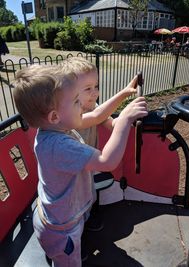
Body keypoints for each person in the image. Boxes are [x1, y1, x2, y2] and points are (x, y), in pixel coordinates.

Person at [13, 64, 148, 267]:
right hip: (63, 231)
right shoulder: (59, 145)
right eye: (76, 101)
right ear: (54, 116)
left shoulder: (56, 128)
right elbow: (107, 161)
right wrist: (124, 120)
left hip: (59, 217)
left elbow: (96, 115)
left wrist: (124, 94)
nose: (82, 106)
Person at [60, 57, 140, 231]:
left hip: (87, 165)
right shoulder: (68, 118)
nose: (95, 92)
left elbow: (109, 123)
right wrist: (125, 96)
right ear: (68, 93)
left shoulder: (92, 106)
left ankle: (87, 217)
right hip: (71, 171)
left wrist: (127, 119)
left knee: (89, 194)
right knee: (73, 202)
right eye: (88, 89)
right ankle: (73, 234)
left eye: (96, 86)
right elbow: (96, 116)